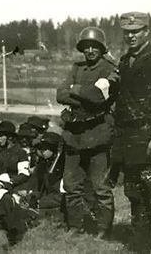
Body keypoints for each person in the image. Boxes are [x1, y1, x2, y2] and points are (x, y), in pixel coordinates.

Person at [112, 12, 151, 252]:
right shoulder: (125, 61)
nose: (131, 36)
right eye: (127, 32)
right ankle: (140, 244)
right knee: (136, 195)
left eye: (136, 31)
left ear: (146, 31)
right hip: (130, 141)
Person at [56, 26, 116, 236]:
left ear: (102, 48)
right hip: (74, 136)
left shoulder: (109, 69)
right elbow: (60, 94)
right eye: (86, 47)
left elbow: (98, 97)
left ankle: (103, 229)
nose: (90, 50)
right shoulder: (76, 67)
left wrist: (75, 89)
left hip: (98, 134)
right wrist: (81, 92)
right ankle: (75, 226)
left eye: (94, 46)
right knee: (72, 185)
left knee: (100, 187)